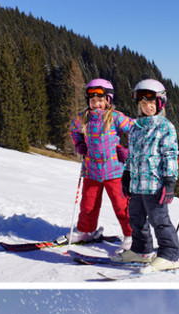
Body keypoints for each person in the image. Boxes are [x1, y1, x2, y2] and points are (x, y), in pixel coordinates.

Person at [120, 80, 179, 272]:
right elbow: (131, 155)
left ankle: (170, 254)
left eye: (152, 103)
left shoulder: (165, 127)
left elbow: (170, 155)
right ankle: (142, 250)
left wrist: (170, 182)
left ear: (160, 104)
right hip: (137, 184)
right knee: (136, 218)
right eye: (144, 103)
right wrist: (127, 175)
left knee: (159, 220)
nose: (148, 107)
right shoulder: (135, 127)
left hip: (155, 184)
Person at [70, 79, 133, 247]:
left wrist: (128, 149)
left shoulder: (115, 117)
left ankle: (131, 235)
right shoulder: (83, 118)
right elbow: (74, 131)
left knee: (122, 206)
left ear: (108, 100)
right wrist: (79, 144)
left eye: (100, 100)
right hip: (92, 171)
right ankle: (86, 231)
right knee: (88, 204)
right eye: (92, 101)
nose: (96, 104)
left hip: (115, 171)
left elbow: (136, 131)